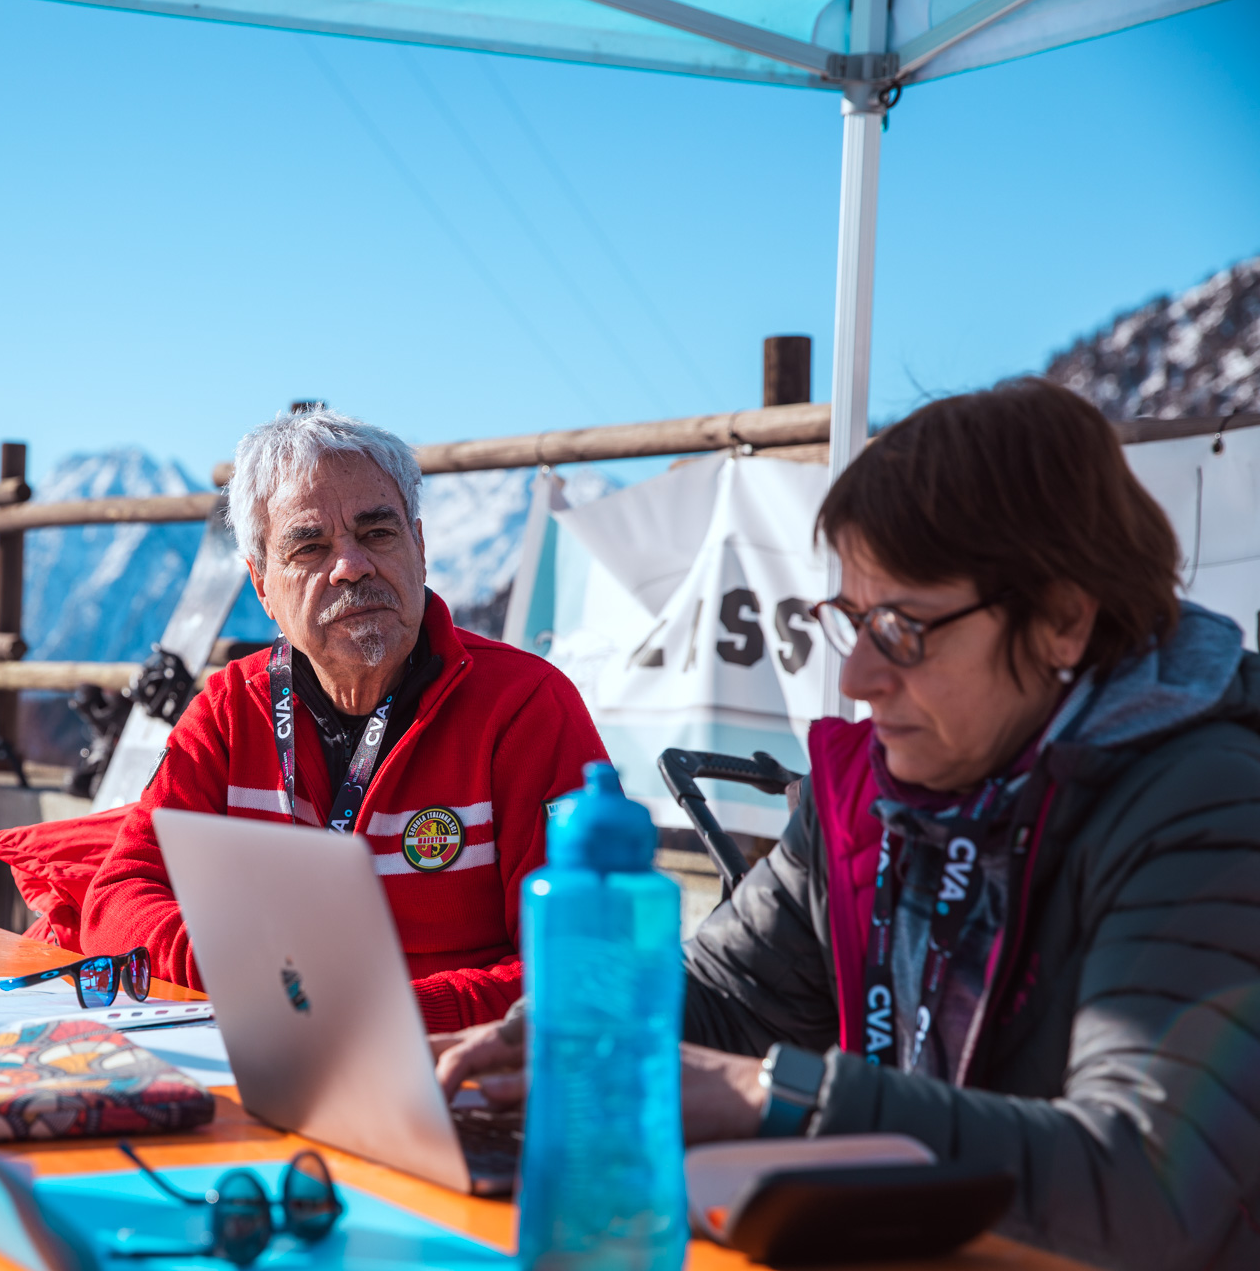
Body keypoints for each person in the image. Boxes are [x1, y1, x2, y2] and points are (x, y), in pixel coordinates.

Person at [434, 379, 1260, 1270]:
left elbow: (1147, 1185)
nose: (858, 676)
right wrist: (560, 1028)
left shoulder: (1208, 803)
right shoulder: (872, 790)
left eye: (903, 627)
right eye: (854, 622)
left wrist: (778, 1098)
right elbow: (727, 999)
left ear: (1062, 620)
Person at [79, 407, 609, 1030]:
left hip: (458, 1067)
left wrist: (385, 1016)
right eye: (310, 547)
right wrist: (246, 971)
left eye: (377, 533)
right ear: (262, 586)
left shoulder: (526, 707)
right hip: (266, 1053)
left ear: (419, 549)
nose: (352, 565)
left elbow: (589, 961)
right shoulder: (229, 711)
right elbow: (116, 899)